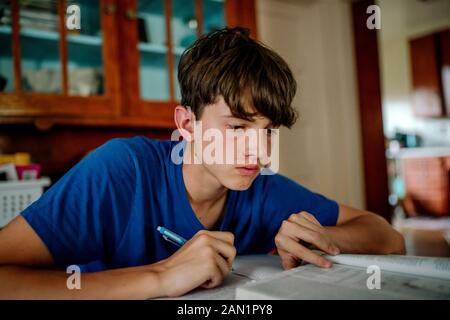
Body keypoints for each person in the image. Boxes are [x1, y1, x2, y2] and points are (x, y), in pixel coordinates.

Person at [0, 27, 405, 299]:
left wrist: (321, 237)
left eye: (268, 131)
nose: (259, 152)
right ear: (187, 124)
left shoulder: (260, 187)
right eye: (237, 127)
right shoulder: (121, 170)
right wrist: (161, 276)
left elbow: (387, 235)